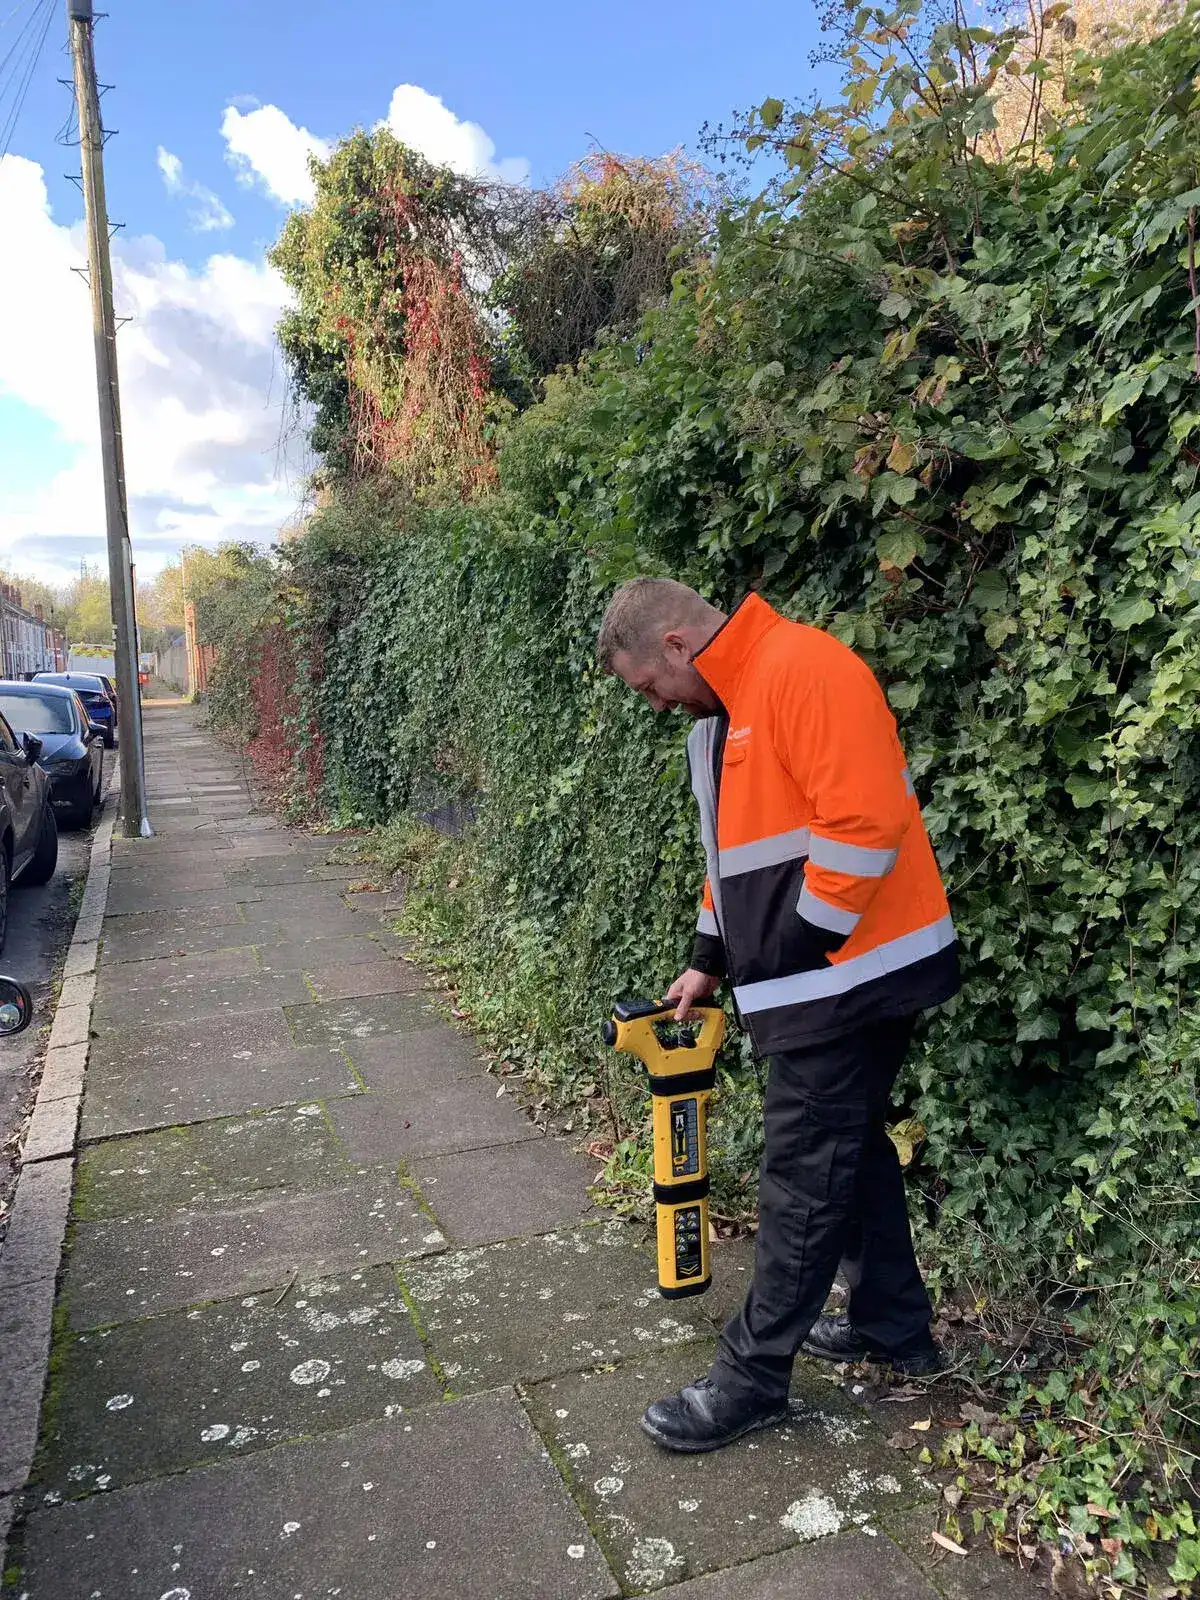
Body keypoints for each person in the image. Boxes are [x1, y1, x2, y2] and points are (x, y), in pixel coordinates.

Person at [596, 578, 960, 1453]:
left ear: (678, 644)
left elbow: (864, 821)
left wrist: (797, 944)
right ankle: (893, 1325)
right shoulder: (719, 721)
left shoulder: (803, 666)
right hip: (815, 982)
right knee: (852, 1149)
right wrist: (708, 959)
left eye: (650, 684)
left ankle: (751, 1379)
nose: (654, 702)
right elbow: (736, 862)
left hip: (852, 982)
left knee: (802, 1176)